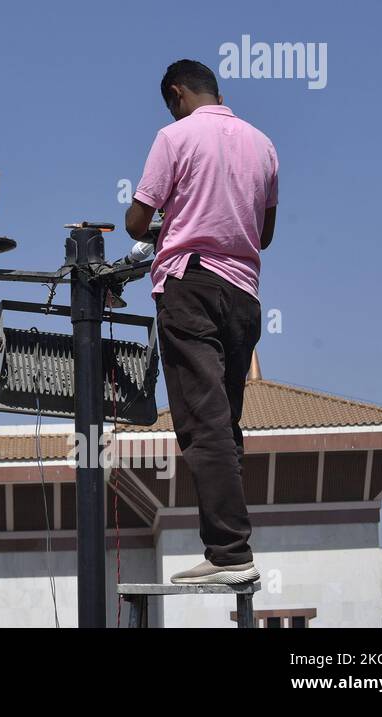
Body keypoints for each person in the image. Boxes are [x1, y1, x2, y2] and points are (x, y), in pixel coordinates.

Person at [125, 60, 279, 585]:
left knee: (200, 421)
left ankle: (230, 555)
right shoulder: (263, 144)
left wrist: (176, 222)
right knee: (225, 421)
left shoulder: (174, 136)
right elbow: (264, 233)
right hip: (244, 294)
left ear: (177, 94)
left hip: (190, 287)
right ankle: (228, 549)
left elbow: (137, 220)